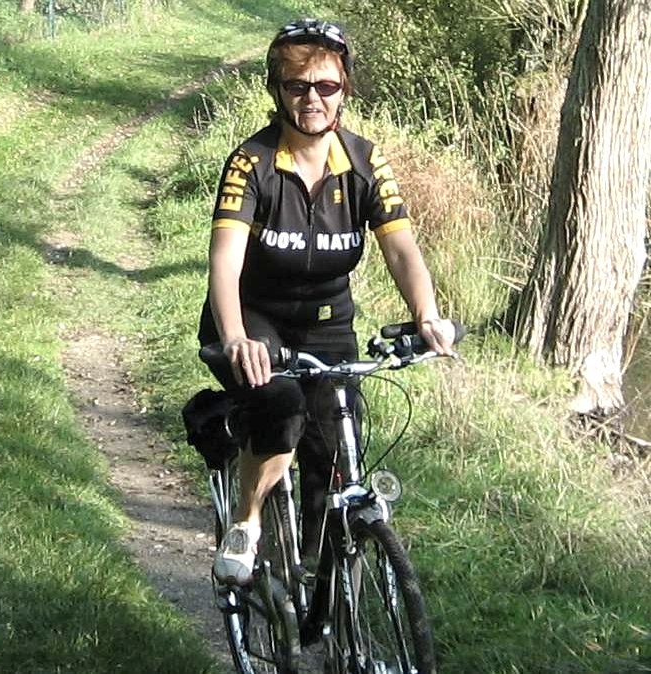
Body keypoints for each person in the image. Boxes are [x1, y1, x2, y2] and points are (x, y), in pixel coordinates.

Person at [201, 18, 456, 585]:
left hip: (326, 322)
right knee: (282, 409)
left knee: (337, 444)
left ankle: (321, 577)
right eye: (297, 86)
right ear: (277, 92)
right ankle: (247, 522)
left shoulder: (366, 162)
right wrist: (236, 334)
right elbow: (225, 259)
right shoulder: (253, 164)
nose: (311, 99)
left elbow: (402, 250)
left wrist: (427, 314)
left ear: (345, 90)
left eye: (326, 86)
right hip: (254, 316)